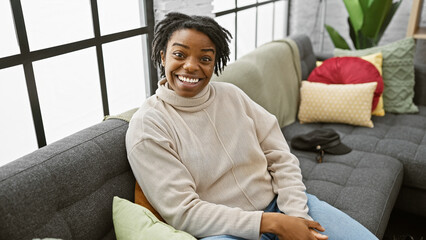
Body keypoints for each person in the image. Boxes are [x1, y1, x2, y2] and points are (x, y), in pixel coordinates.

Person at [126, 12, 378, 240]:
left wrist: (296, 215)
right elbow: (185, 212)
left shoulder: (232, 95)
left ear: (215, 62)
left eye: (204, 58)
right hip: (224, 231)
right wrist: (272, 224)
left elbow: (281, 157)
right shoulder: (148, 126)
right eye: (179, 54)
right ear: (162, 56)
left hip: (281, 206)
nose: (191, 66)